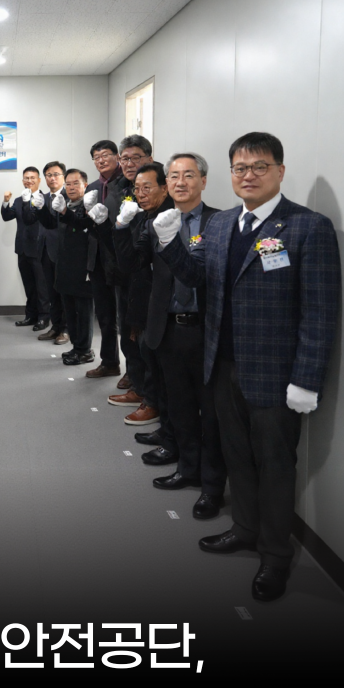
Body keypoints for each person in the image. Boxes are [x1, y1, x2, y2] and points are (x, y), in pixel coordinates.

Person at [154, 131, 340, 600]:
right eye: (240, 168)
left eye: (260, 167)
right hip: (222, 367)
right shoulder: (220, 225)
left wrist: (306, 379)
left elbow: (320, 311)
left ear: (280, 171)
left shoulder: (307, 227)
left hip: (277, 377)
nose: (249, 175)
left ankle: (275, 557)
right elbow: (197, 276)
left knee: (275, 467)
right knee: (237, 456)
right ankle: (244, 528)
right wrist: (170, 242)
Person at [113, 154, 226, 519]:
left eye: (188, 175)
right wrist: (121, 227)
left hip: (207, 331)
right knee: (179, 406)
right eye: (174, 176)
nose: (180, 182)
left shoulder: (219, 223)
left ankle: (212, 487)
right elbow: (130, 265)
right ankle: (187, 469)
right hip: (168, 327)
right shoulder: (156, 223)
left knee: (211, 414)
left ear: (203, 181)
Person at [112, 163, 174, 437]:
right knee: (145, 352)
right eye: (137, 189)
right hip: (143, 294)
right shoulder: (146, 218)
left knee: (159, 360)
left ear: (164, 188)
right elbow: (131, 262)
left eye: (147, 187)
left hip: (169, 304)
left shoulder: (172, 217)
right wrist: (120, 225)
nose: (140, 194)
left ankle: (155, 406)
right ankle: (150, 401)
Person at [29, 169, 109, 364]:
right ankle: (76, 347)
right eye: (68, 184)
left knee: (83, 313)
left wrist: (65, 212)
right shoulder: (65, 203)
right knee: (70, 312)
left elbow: (82, 225)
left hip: (83, 269)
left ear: (85, 185)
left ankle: (85, 351)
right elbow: (51, 224)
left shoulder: (90, 206)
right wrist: (40, 208)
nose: (71, 187)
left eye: (76, 183)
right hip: (64, 266)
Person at [83, 141, 124, 379]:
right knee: (105, 315)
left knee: (126, 317)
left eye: (106, 155)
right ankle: (109, 362)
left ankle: (134, 372)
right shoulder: (93, 187)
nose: (101, 160)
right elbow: (88, 225)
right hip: (97, 258)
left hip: (121, 257)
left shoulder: (126, 183)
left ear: (117, 156)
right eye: (96, 157)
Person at [2, 166, 49, 331]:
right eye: (26, 178)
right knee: (29, 286)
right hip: (22, 249)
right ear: (22, 180)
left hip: (39, 249)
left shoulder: (45, 199)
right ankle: (31, 316)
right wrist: (6, 201)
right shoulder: (18, 200)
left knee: (42, 286)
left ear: (39, 180)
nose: (29, 181)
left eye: (32, 178)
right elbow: (7, 216)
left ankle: (44, 318)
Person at [34, 161, 69, 344]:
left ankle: (66, 329)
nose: (52, 178)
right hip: (45, 250)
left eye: (56, 174)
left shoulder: (69, 195)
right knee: (51, 292)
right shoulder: (44, 197)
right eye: (49, 175)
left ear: (63, 176)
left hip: (64, 252)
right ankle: (55, 327)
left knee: (64, 293)